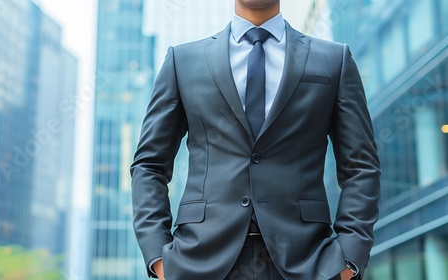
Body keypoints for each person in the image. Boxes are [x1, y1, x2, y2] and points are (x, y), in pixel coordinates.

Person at [130, 0, 380, 279]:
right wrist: (158, 257)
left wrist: (348, 257)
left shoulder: (334, 60)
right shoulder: (183, 61)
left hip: (308, 262)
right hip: (199, 261)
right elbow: (149, 165)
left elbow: (360, 166)